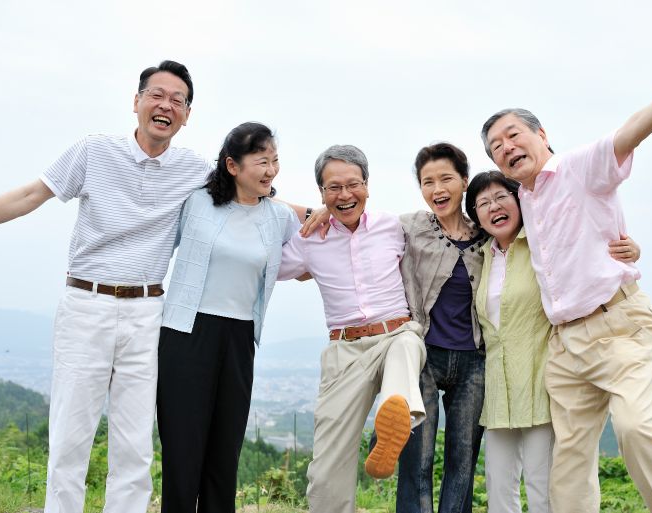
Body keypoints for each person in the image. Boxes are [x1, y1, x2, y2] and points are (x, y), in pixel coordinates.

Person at [480, 40, 652, 513]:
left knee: (636, 429)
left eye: (513, 135)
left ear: (541, 134)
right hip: (566, 344)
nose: (507, 147)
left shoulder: (577, 167)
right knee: (569, 461)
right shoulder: (524, 199)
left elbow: (626, 135)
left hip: (617, 326)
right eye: (496, 147)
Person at [0, 60, 212, 513]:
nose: (165, 105)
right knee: (71, 435)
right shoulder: (94, 151)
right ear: (136, 102)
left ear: (187, 115)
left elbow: (251, 192)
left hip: (148, 310)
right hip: (85, 302)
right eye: (157, 94)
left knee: (134, 444)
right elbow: (31, 195)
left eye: (178, 100)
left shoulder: (194, 169)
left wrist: (320, 215)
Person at [465, 171, 640, 513]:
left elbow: (588, 245)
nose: (493, 207)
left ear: (519, 201)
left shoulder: (544, 246)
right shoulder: (480, 255)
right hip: (498, 392)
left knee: (541, 489)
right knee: (499, 491)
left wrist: (631, 247)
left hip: (542, 382)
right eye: (482, 203)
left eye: (501, 197)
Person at [156, 122, 299, 512]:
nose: (270, 170)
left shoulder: (279, 217)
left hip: (240, 337)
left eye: (275, 161)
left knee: (225, 450)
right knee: (183, 448)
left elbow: (311, 239)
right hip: (186, 332)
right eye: (261, 161)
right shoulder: (197, 201)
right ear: (232, 166)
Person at [278, 144, 427, 513]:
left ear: (367, 185)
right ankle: (394, 419)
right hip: (345, 349)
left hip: (395, 333)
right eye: (333, 188)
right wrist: (306, 214)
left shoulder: (394, 227)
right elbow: (268, 264)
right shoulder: (309, 240)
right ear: (322, 194)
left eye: (353, 184)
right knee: (326, 470)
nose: (345, 195)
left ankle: (393, 421)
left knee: (408, 344)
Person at [395, 142, 487, 513]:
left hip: (474, 362)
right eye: (427, 181)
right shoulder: (410, 226)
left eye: (446, 178)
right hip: (423, 357)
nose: (437, 189)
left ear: (464, 181)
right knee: (416, 460)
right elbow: (358, 223)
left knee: (462, 463)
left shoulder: (488, 234)